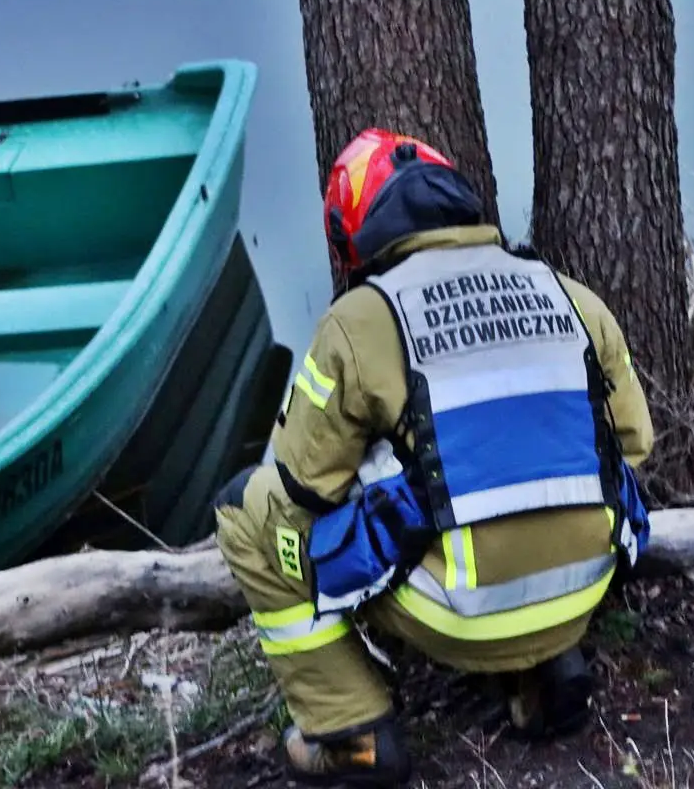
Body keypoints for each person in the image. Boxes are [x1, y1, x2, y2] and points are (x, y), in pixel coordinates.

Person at [213, 128, 654, 787]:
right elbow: (635, 444)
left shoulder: (360, 321)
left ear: (352, 237)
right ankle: (545, 668)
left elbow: (304, 486)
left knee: (247, 512)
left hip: (459, 616)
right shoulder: (570, 294)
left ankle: (352, 732)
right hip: (585, 587)